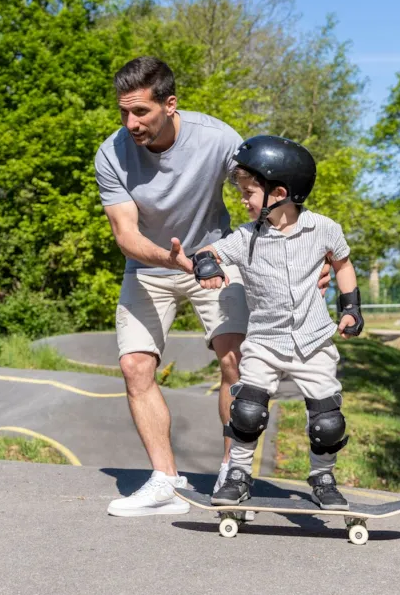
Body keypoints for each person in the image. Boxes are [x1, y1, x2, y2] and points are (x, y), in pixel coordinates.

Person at [94, 57, 329, 517]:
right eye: (123, 112)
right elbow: (125, 234)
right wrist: (167, 258)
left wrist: (307, 254)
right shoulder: (111, 154)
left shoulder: (217, 138)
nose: (130, 123)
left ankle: (231, 475)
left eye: (140, 111)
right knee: (135, 366)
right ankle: (164, 481)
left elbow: (267, 194)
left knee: (235, 360)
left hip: (213, 260)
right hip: (150, 265)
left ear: (170, 103)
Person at [175, 135, 363, 510]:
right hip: (264, 341)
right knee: (247, 411)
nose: (242, 200)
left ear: (279, 192)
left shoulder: (324, 228)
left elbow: (342, 264)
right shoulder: (246, 237)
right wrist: (206, 265)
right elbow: (209, 252)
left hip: (313, 341)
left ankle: (323, 478)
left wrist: (351, 308)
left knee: (328, 422)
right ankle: (239, 475)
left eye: (248, 193)